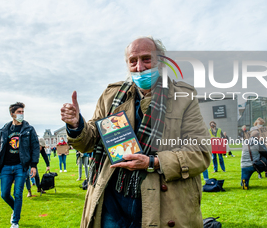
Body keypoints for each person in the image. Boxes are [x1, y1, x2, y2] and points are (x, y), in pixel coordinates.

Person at [61, 36, 211, 228]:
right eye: (133, 61)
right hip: (111, 204)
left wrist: (153, 162)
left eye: (146, 59)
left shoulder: (183, 97)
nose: (139, 67)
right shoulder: (111, 96)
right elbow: (89, 141)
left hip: (161, 204)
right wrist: (76, 125)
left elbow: (200, 153)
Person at [0, 102, 40, 228]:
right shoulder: (4, 130)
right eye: (19, 112)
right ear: (12, 114)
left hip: (21, 166)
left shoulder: (29, 129)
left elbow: (35, 147)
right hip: (5, 166)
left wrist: (33, 165)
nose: (21, 114)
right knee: (4, 194)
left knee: (18, 193)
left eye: (22, 112)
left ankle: (15, 222)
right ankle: (15, 210)